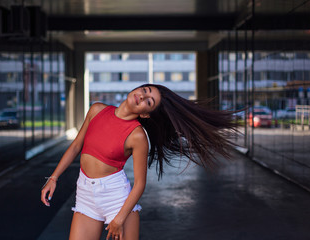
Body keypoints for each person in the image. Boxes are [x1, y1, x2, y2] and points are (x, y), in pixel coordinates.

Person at [41, 84, 237, 240]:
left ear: (145, 114)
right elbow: (76, 146)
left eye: (148, 101)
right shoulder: (96, 110)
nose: (142, 97)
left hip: (116, 200)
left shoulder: (137, 136)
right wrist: (54, 178)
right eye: (145, 90)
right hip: (85, 194)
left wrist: (119, 219)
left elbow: (140, 184)